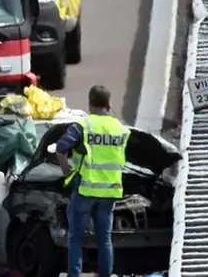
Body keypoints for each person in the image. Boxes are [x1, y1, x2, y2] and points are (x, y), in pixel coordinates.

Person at [54, 85, 130, 277]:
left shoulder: (84, 125)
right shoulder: (120, 128)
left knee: (76, 239)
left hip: (86, 190)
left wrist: (66, 172)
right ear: (109, 103)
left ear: (90, 103)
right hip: (110, 191)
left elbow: (61, 148)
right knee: (104, 238)